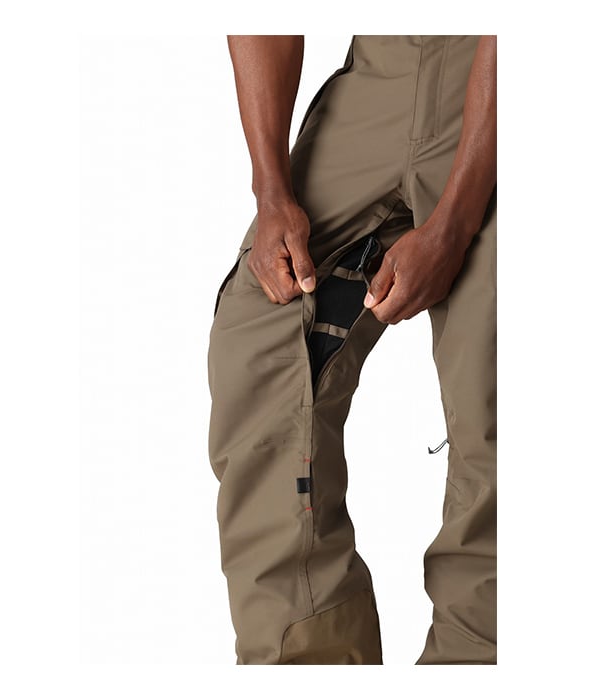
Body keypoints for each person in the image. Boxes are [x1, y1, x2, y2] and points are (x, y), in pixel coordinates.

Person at [207, 35, 496, 665]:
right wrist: (271, 192)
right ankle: (307, 659)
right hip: (382, 71)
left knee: (492, 386)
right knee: (261, 347)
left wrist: (453, 226)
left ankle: (482, 659)